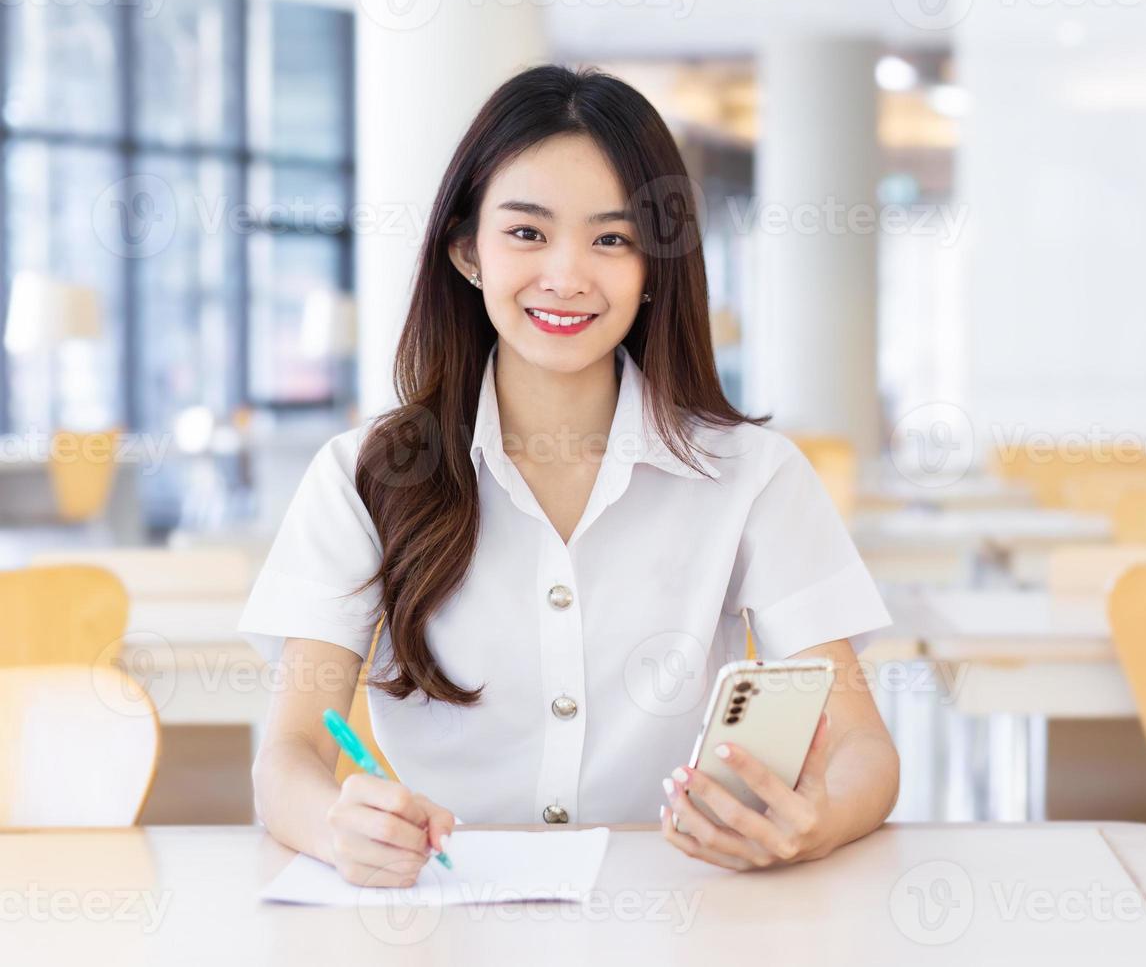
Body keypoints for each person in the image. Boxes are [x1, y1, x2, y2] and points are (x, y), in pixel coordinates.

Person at [240, 63, 898, 884]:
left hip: (679, 912)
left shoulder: (754, 475)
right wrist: (338, 826)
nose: (567, 275)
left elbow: (865, 749)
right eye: (527, 233)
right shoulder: (361, 475)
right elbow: (289, 759)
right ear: (465, 250)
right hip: (446, 914)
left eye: (612, 239)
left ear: (655, 265)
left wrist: (816, 824)